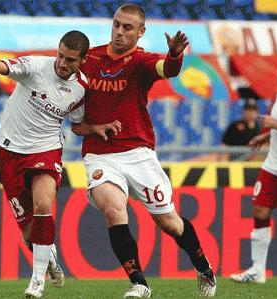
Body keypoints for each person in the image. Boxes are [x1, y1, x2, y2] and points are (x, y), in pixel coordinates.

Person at [0, 31, 119, 298]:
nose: (62, 63)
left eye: (70, 59)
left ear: (81, 60)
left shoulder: (81, 87)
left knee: (44, 204)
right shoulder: (36, 66)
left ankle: (37, 281)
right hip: (9, 150)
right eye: (60, 55)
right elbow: (2, 65)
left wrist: (96, 128)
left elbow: (78, 125)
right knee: (29, 235)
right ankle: (51, 260)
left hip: (46, 148)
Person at [71, 4, 216, 297]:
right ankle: (139, 282)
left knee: (170, 224)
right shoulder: (90, 59)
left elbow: (168, 69)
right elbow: (74, 119)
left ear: (141, 32)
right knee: (113, 209)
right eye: (117, 25)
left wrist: (175, 54)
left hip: (138, 153)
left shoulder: (141, 62)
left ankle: (204, 268)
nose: (120, 32)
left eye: (127, 28)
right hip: (100, 153)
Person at [230, 57, 277, 284]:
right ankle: (257, 270)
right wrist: (265, 136)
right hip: (273, 167)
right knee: (260, 212)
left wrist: (273, 125)